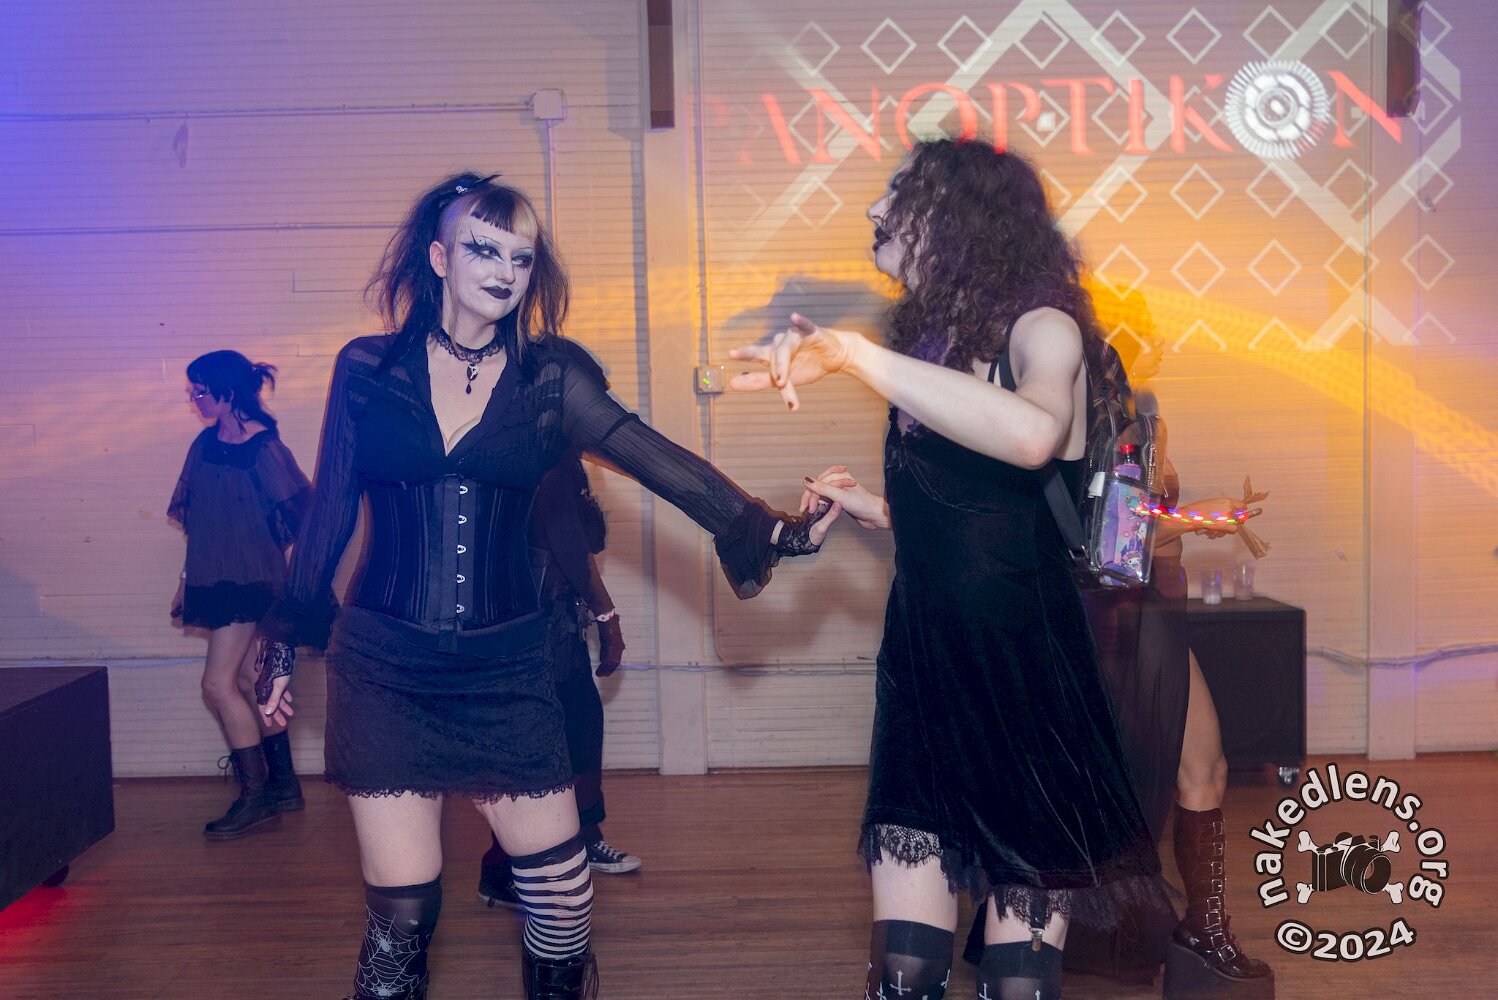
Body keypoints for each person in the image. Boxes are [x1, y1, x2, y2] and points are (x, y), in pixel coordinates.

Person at [251, 173, 829, 1000]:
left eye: (520, 258)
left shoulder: (550, 377)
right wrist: (281, 642)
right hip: (385, 669)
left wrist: (771, 529)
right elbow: (329, 513)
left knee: (562, 904)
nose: (504, 271)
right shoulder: (368, 368)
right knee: (401, 917)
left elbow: (652, 456)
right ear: (439, 257)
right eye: (483, 250)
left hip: (506, 671)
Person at [731, 138, 1171, 1000]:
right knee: (903, 971)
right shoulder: (932, 345)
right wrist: (881, 509)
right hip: (926, 669)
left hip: (1025, 677)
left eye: (899, 191)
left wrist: (855, 356)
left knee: (1016, 983)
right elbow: (984, 511)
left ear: (961, 215)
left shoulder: (1043, 327)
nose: (873, 208)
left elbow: (1033, 435)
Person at [477, 339, 641, 913]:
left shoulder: (542, 449)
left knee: (575, 728)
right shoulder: (542, 456)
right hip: (532, 626)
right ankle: (505, 867)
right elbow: (569, 545)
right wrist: (609, 618)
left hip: (543, 622)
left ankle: (580, 840)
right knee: (539, 744)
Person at [168, 351, 311, 840]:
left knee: (216, 685)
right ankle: (284, 786)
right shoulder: (205, 445)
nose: (195, 399)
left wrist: (288, 581)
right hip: (215, 578)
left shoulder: (265, 449)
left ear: (228, 395)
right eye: (192, 391)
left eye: (201, 391)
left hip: (252, 584)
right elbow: (199, 519)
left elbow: (300, 516)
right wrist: (187, 576)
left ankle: (255, 798)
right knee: (253, 682)